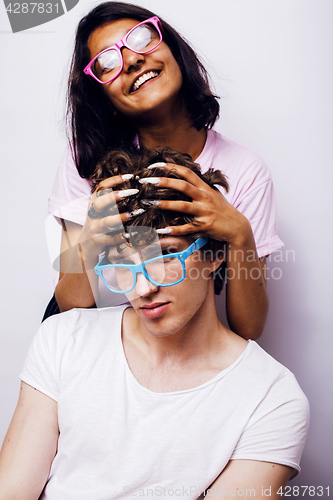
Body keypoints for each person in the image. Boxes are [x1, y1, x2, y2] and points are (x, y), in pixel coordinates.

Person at [0, 148, 308, 500]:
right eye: (124, 263)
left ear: (214, 256)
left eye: (164, 255)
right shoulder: (63, 339)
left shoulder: (272, 398)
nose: (143, 288)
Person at [47, 1, 283, 339]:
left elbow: (248, 328)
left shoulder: (246, 171)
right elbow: (71, 305)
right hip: (97, 341)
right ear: (104, 99)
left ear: (174, 51)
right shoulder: (86, 161)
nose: (131, 60)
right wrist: (89, 241)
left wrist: (239, 233)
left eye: (141, 38)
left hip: (177, 346)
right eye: (107, 63)